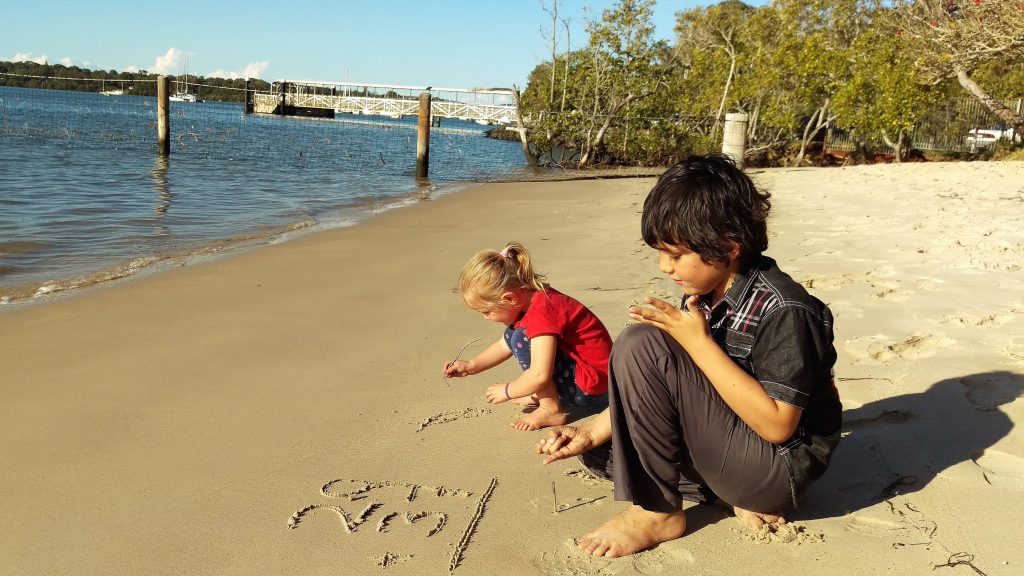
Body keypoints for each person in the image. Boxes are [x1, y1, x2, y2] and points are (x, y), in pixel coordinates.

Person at [536, 154, 841, 557]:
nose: (664, 267)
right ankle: (720, 494)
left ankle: (658, 511)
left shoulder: (784, 309)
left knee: (640, 343)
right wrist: (591, 431)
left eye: (675, 255)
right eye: (660, 253)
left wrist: (699, 343)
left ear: (729, 247)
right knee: (602, 448)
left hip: (775, 466)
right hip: (732, 448)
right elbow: (679, 388)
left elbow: (778, 426)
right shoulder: (706, 294)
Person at [443, 242, 613, 431]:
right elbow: (503, 345)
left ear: (509, 299)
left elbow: (540, 374)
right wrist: (471, 366)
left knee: (521, 339)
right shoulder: (534, 300)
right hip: (590, 376)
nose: (485, 318)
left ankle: (550, 408)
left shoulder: (541, 312)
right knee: (513, 334)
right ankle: (541, 394)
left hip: (591, 386)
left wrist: (508, 391)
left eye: (486, 312)